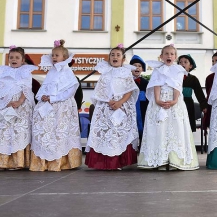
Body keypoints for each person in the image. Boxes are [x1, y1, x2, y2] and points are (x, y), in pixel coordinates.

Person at [138, 44, 199, 170]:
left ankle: (175, 160)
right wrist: (157, 99)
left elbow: (178, 86)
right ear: (161, 56)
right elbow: (156, 85)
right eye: (166, 53)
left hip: (174, 101)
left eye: (171, 54)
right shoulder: (157, 70)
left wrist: (175, 100)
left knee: (175, 129)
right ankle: (160, 160)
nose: (169, 56)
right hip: (159, 100)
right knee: (159, 128)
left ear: (175, 57)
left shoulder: (178, 70)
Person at [30, 39, 82, 171]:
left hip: (62, 107)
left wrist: (53, 98)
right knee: (45, 132)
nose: (54, 57)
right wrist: (41, 96)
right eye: (52, 55)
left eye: (56, 55)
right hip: (48, 106)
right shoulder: (51, 72)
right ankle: (43, 162)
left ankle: (60, 162)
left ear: (64, 57)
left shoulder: (67, 72)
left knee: (60, 132)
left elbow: (70, 90)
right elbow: (45, 87)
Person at [85, 44, 139, 170]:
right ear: (109, 58)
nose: (115, 57)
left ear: (123, 59)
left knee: (118, 134)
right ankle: (104, 162)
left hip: (121, 107)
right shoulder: (105, 73)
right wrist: (108, 100)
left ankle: (118, 162)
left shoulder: (126, 73)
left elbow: (130, 90)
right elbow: (100, 89)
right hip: (106, 108)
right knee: (106, 134)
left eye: (118, 55)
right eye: (112, 55)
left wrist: (120, 102)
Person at [0, 46, 37, 170]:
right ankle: (4, 162)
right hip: (7, 104)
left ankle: (19, 162)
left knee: (19, 132)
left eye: (17, 57)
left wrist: (19, 101)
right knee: (5, 132)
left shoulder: (25, 72)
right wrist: (6, 101)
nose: (13, 60)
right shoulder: (3, 71)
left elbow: (26, 88)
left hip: (21, 106)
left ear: (22, 60)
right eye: (11, 57)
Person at [178, 54, 207, 132]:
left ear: (190, 66)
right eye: (180, 62)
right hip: (176, 104)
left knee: (187, 127)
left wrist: (204, 106)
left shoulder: (193, 79)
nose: (182, 64)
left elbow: (199, 93)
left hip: (188, 104)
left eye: (185, 62)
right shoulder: (174, 78)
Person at [130, 55, 149, 139]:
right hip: (130, 107)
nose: (137, 68)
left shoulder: (146, 82)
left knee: (143, 128)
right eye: (134, 66)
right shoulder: (127, 81)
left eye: (139, 66)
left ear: (142, 69)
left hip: (143, 108)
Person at [203, 50, 217, 130]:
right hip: (213, 105)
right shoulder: (209, 78)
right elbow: (208, 92)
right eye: (213, 61)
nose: (214, 63)